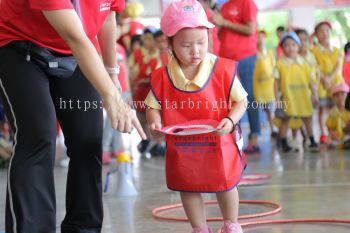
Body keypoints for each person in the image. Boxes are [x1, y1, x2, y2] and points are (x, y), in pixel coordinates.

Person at [0, 0, 146, 233]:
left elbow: (107, 17)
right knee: (38, 135)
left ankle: (84, 228)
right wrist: (110, 96)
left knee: (87, 138)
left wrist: (112, 74)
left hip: (78, 50)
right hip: (18, 44)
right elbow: (74, 36)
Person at [145, 1, 247, 232]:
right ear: (169, 43)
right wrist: (155, 121)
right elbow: (153, 105)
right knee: (188, 185)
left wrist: (230, 120)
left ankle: (231, 224)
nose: (196, 51)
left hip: (219, 140)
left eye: (202, 42)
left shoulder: (221, 69)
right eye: (186, 45)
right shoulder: (162, 76)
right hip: (185, 146)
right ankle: (200, 228)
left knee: (226, 183)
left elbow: (241, 101)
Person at [211, 0, 260, 154]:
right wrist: (219, 24)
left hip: (244, 56)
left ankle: (254, 138)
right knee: (229, 100)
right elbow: (222, 33)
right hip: (227, 59)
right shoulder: (225, 6)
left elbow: (250, 29)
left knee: (247, 97)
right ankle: (232, 137)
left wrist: (224, 22)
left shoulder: (246, 3)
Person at [273, 32, 319, 152]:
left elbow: (311, 81)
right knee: (285, 120)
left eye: (293, 44)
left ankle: (312, 141)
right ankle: (283, 143)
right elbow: (276, 82)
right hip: (287, 97)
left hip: (303, 96)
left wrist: (315, 95)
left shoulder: (304, 63)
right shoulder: (280, 64)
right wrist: (277, 99)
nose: (290, 47)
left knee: (307, 118)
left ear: (298, 47)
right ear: (282, 48)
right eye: (287, 45)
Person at [311, 20, 344, 144]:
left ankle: (335, 133)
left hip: (337, 84)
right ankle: (323, 133)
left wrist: (330, 78)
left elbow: (338, 67)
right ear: (316, 35)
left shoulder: (338, 50)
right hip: (321, 85)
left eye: (327, 30)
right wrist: (324, 78)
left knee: (337, 109)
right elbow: (315, 67)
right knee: (323, 109)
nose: (324, 33)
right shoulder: (313, 51)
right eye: (321, 31)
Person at [253, 30, 278, 138]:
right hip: (257, 87)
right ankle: (256, 133)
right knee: (255, 110)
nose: (261, 39)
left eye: (263, 37)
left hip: (269, 86)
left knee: (270, 110)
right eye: (259, 37)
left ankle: (273, 129)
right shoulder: (253, 54)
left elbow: (274, 68)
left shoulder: (269, 53)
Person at [326, 83, 350, 149]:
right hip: (338, 136)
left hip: (347, 133)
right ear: (333, 98)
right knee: (331, 141)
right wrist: (332, 133)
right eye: (337, 95)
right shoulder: (333, 112)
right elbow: (329, 127)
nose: (340, 98)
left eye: (342, 94)